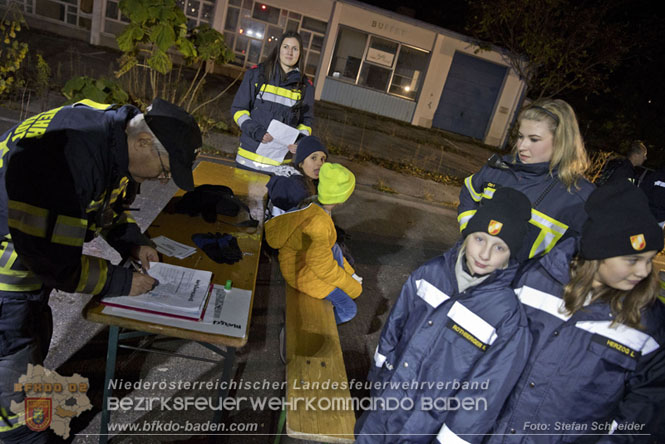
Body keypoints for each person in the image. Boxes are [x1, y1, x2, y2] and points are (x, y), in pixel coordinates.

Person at [0, 98, 201, 443]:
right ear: (143, 142)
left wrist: (133, 243)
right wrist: (121, 280)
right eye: (167, 169)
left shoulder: (111, 135)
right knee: (14, 393)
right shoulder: (72, 158)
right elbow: (54, 262)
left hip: (29, 270)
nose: (165, 179)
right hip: (9, 283)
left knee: (29, 356)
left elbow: (107, 203)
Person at [488, 182, 665, 443]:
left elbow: (648, 408)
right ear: (598, 252)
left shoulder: (649, 321)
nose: (643, 272)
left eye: (649, 260)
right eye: (632, 260)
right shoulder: (533, 279)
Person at [355, 188, 532, 443]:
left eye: (499, 247)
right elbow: (395, 325)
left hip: (426, 428)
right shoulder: (430, 273)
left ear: (510, 255)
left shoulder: (506, 318)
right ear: (467, 236)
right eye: (479, 239)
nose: (484, 254)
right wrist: (379, 375)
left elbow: (486, 392)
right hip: (385, 405)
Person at [458, 99, 594, 262]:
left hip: (521, 285)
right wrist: (469, 232)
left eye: (534, 139)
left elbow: (585, 256)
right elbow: (469, 192)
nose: (522, 146)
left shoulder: (579, 196)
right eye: (521, 137)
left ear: (561, 142)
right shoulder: (498, 169)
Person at [264, 163, 361, 324]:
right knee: (349, 309)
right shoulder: (319, 224)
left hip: (300, 261)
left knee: (339, 262)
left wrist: (349, 274)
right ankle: (312, 327)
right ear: (342, 197)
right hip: (299, 271)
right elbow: (322, 267)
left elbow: (329, 251)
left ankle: (327, 306)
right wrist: (351, 285)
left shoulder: (313, 203)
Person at [231, 31, 314, 173]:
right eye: (285, 47)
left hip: (279, 167)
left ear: (300, 53)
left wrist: (300, 141)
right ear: (278, 49)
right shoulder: (257, 75)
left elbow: (306, 122)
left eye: (295, 49)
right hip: (247, 159)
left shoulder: (305, 86)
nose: (290, 52)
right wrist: (256, 131)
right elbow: (239, 110)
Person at [266, 135, 327, 217]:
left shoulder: (309, 182)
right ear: (301, 163)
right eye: (313, 158)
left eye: (322, 159)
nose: (320, 163)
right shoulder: (292, 186)